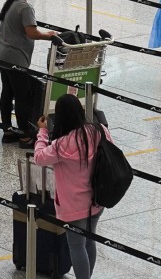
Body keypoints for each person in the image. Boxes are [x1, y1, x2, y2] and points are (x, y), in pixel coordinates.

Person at [34, 94, 112, 279]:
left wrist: (42, 132)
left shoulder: (61, 144)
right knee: (89, 242)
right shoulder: (98, 130)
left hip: (73, 206)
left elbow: (39, 157)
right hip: (97, 198)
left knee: (76, 246)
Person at [0, 0, 58, 147]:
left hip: (1, 54)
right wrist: (50, 35)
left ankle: (7, 130)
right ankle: (24, 135)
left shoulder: (11, 2)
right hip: (16, 58)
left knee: (7, 92)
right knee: (21, 95)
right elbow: (32, 33)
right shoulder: (25, 7)